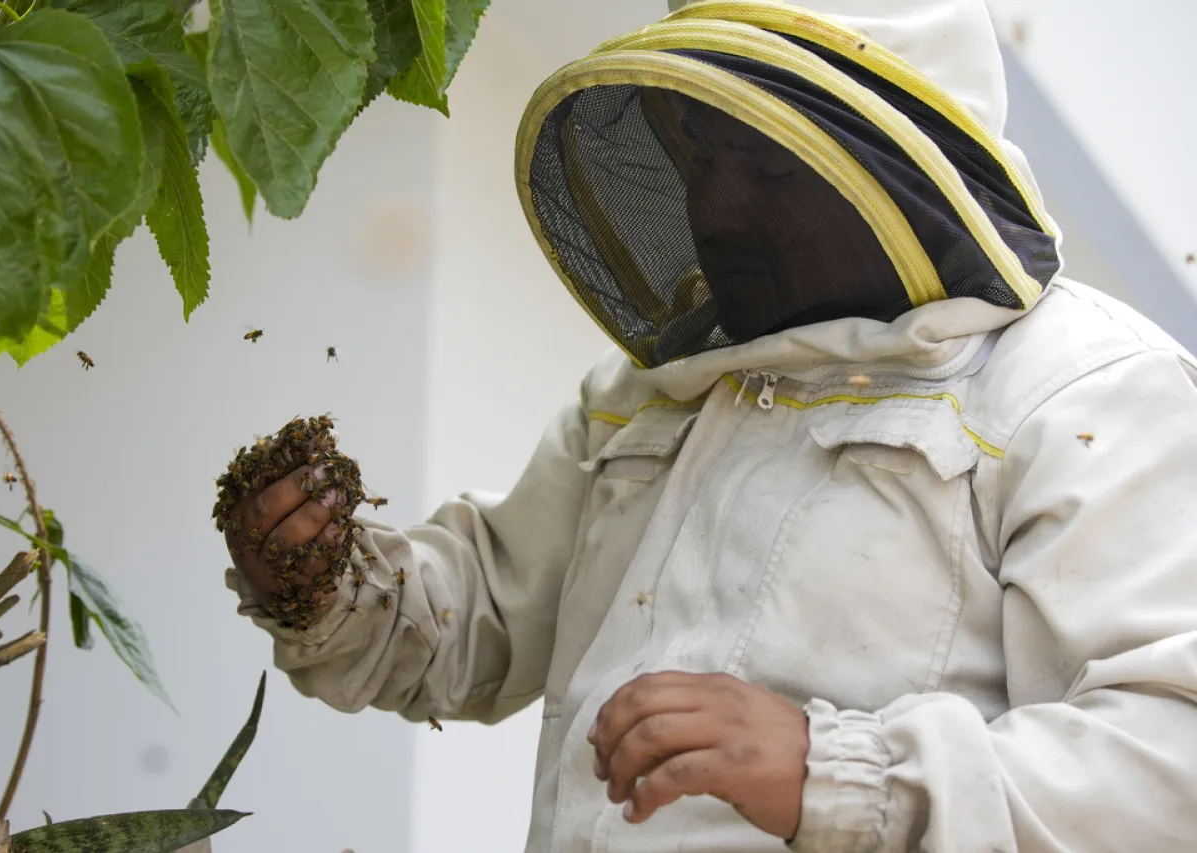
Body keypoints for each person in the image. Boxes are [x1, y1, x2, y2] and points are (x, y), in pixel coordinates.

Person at [222, 1, 1197, 850]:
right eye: (700, 155)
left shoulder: (1087, 395)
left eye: (767, 171)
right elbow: (474, 621)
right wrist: (322, 581)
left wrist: (838, 774)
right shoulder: (657, 386)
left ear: (893, 167)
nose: (717, 205)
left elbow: (1167, 765)